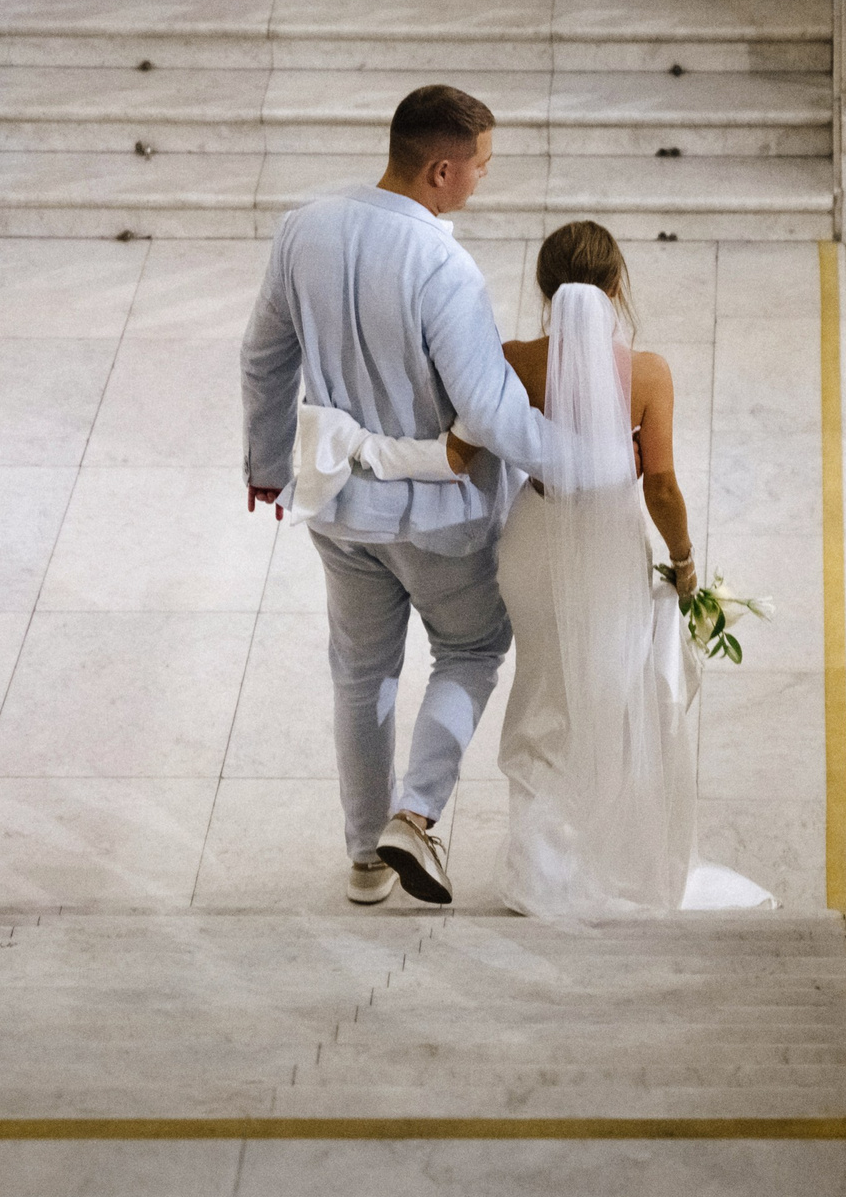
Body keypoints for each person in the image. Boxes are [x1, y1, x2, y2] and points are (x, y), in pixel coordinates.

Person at [240, 85, 549, 908]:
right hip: (440, 521)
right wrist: (575, 459)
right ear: (442, 170)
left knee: (360, 671)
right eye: (481, 168)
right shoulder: (442, 265)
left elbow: (263, 356)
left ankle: (363, 858)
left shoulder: (304, 226)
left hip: (339, 507)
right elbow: (486, 409)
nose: (483, 182)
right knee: (473, 650)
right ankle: (413, 816)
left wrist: (266, 465)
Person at [482, 223, 776, 916]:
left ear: (545, 290)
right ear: (617, 286)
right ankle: (601, 850)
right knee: (611, 696)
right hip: (609, 546)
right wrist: (684, 562)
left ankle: (542, 862)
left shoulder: (513, 361)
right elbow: (663, 486)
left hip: (532, 540)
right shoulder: (646, 374)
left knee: (543, 688)